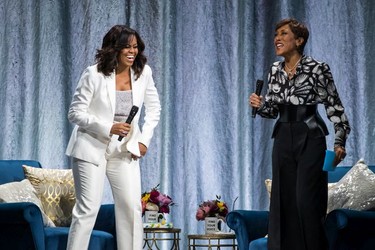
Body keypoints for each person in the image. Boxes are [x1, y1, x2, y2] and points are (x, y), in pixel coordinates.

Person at [249, 18, 350, 250]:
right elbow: (271, 111)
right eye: (276, 34)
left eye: (284, 34)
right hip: (283, 136)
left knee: (306, 202)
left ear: (299, 40)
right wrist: (259, 104)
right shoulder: (275, 70)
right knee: (282, 202)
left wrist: (339, 142)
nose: (277, 38)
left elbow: (335, 107)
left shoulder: (317, 68)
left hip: (310, 135)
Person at [65, 25, 161, 250]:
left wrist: (144, 140)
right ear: (114, 48)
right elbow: (75, 112)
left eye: (135, 47)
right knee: (87, 210)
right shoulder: (94, 73)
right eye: (127, 47)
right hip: (91, 147)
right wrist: (109, 127)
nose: (132, 51)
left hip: (124, 150)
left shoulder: (143, 72)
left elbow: (154, 108)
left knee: (131, 208)